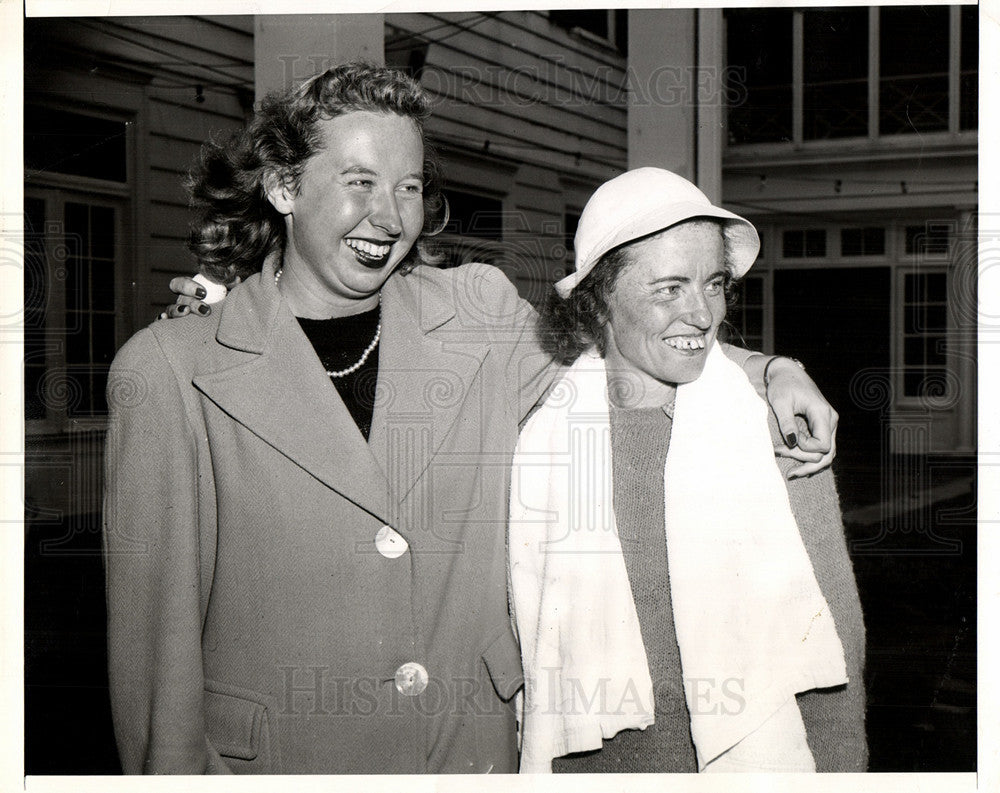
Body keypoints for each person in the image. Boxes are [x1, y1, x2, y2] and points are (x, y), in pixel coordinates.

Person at [104, 63, 840, 774]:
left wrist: (770, 369)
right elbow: (157, 670)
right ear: (283, 186)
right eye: (359, 182)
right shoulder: (171, 371)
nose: (389, 216)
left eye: (409, 186)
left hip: (469, 753)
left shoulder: (478, 313)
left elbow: (626, 346)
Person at [509, 168, 867, 774]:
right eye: (669, 289)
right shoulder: (540, 437)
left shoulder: (774, 434)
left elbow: (832, 650)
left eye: (713, 283)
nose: (702, 314)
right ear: (599, 303)